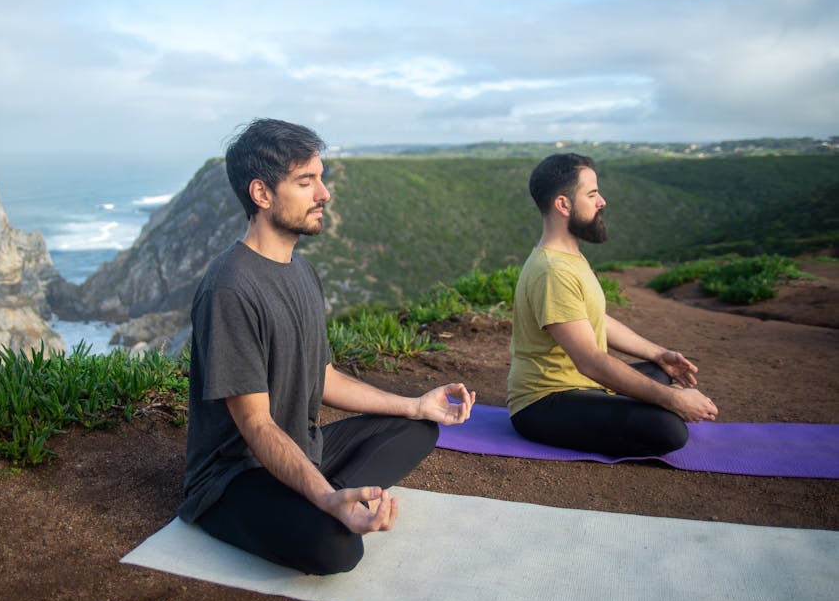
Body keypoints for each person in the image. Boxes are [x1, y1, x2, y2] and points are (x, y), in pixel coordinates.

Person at [178, 118, 475, 575]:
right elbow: (255, 424)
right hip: (235, 475)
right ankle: (323, 497)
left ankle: (318, 492)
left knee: (418, 428)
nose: (324, 194)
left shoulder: (303, 272)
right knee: (338, 550)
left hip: (302, 445)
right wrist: (326, 497)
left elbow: (324, 377)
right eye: (306, 182)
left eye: (321, 178)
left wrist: (417, 404)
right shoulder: (230, 289)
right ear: (261, 194)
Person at [507, 153, 718, 457]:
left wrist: (659, 354)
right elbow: (590, 361)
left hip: (583, 387)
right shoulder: (552, 271)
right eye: (592, 194)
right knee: (668, 429)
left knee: (659, 373)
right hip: (544, 404)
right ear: (563, 205)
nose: (602, 201)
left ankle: (646, 394)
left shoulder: (570, 257)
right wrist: (671, 400)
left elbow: (597, 320)